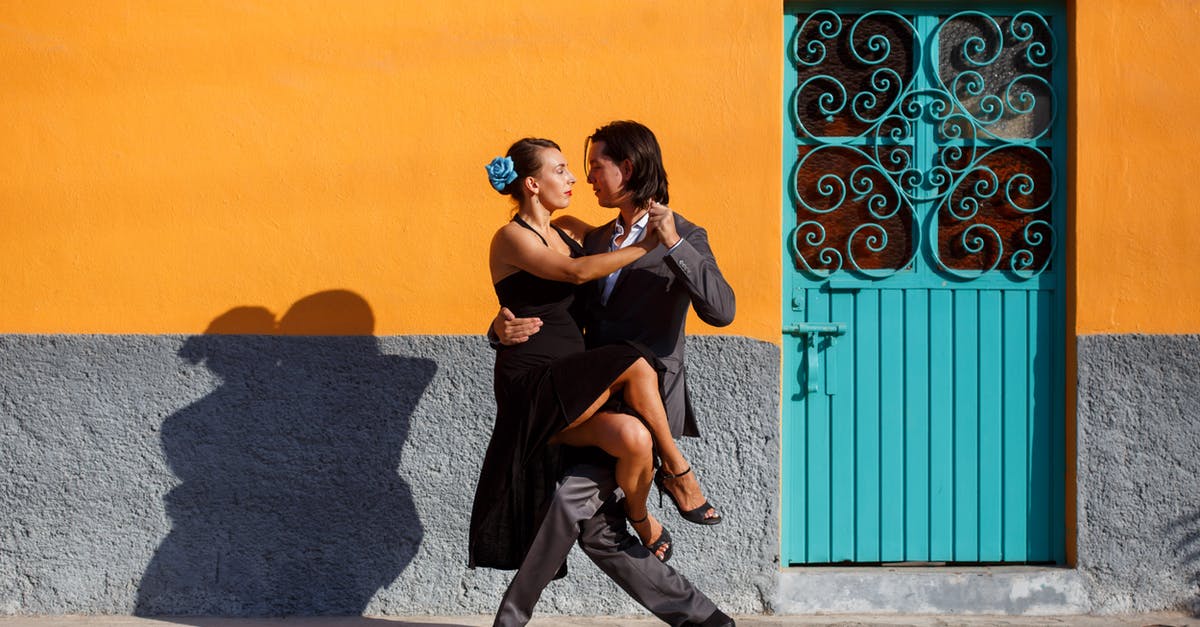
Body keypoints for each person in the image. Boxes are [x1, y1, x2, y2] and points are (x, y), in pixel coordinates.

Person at [489, 121, 737, 627]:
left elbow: (722, 310)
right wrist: (498, 329)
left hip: (644, 403)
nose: (587, 180)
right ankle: (703, 617)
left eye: (595, 168)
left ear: (626, 167)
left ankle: (512, 619)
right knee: (595, 528)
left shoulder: (683, 234)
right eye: (576, 171)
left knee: (570, 505)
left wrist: (671, 245)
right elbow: (550, 297)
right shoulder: (591, 237)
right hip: (583, 391)